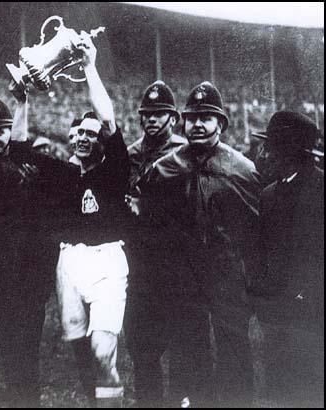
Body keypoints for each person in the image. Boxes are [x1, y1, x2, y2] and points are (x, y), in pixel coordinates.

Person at [0, 86, 77, 407]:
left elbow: (46, 228)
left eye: (0, 133)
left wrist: (38, 287)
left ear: (10, 132)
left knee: (23, 371)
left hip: (23, 291)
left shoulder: (29, 170)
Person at [138, 81, 261, 407]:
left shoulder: (242, 170)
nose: (198, 124)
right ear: (183, 122)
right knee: (189, 354)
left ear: (221, 123)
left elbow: (255, 231)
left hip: (226, 274)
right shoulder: (165, 168)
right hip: (184, 276)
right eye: (192, 118)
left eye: (207, 118)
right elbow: (149, 221)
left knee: (234, 349)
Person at [54, 34, 131, 408]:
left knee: (102, 350)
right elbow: (19, 150)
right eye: (78, 133)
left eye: (90, 133)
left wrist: (89, 67)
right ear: (70, 138)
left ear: (101, 140)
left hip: (106, 260)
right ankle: (99, 403)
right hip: (70, 261)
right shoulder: (65, 175)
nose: (84, 137)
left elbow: (107, 116)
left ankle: (111, 401)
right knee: (83, 354)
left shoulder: (114, 168)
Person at [125, 82, 209, 407]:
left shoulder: (186, 153)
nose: (152, 120)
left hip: (177, 265)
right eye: (146, 114)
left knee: (181, 352)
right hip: (139, 264)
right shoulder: (131, 154)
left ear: (173, 118)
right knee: (142, 350)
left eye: (159, 114)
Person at [249, 111, 324, 407]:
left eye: (271, 147)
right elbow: (264, 253)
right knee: (280, 391)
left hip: (315, 315)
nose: (265, 154)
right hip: (278, 314)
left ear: (289, 151)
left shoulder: (320, 189)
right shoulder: (269, 194)